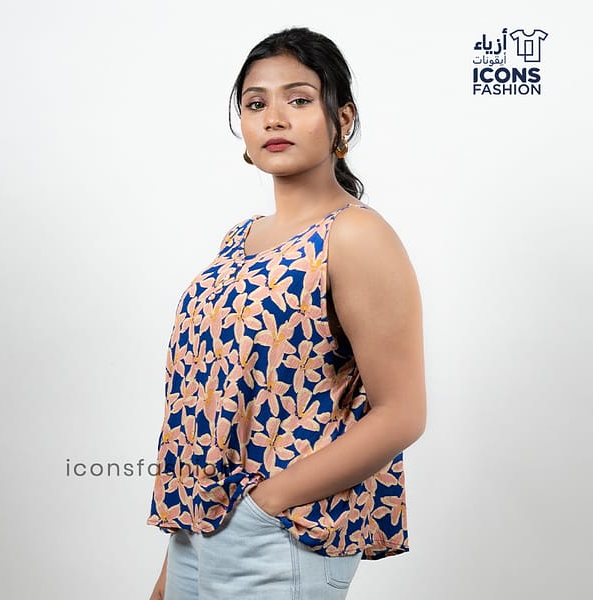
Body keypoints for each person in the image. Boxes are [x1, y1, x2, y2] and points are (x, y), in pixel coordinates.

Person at [148, 26, 426, 600]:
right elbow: (211, 404)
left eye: (298, 100)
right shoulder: (237, 240)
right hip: (198, 529)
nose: (274, 118)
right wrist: (176, 564)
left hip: (279, 537)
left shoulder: (355, 236)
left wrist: (264, 504)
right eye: (256, 104)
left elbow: (402, 414)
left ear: (342, 119)